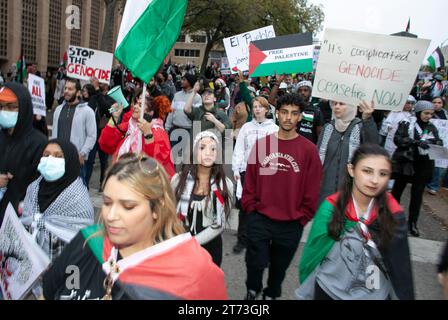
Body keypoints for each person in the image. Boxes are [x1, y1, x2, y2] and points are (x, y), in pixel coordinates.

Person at [41, 154, 228, 300]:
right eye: (107, 202)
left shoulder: (195, 273)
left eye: (128, 206)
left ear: (157, 207)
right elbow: (47, 294)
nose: (111, 216)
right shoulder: (87, 243)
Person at [297, 144, 414, 300]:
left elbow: (401, 269)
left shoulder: (394, 214)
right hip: (328, 291)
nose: (374, 180)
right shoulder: (330, 208)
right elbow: (311, 256)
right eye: (367, 171)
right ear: (351, 170)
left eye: (383, 174)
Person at [241, 93, 322, 300]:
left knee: (279, 268)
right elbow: (250, 180)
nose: (288, 117)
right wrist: (250, 208)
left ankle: (271, 293)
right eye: (284, 112)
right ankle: (252, 289)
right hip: (260, 217)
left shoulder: (309, 150)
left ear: (300, 117)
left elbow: (313, 190)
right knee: (254, 262)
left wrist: (302, 218)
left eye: (294, 114)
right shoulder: (263, 144)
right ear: (277, 114)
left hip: (291, 223)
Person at [21, 139, 94, 261]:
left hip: (62, 270)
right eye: (46, 155)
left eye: (58, 156)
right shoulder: (33, 189)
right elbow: (25, 223)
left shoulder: (78, 200)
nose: (50, 160)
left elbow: (79, 245)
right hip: (27, 264)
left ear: (70, 161)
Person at [172, 131, 233, 267]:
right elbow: (170, 214)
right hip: (180, 246)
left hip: (210, 251)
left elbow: (219, 224)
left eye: (213, 149)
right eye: (202, 148)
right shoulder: (178, 180)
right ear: (194, 152)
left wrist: (192, 243)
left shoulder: (224, 185)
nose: (208, 152)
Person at [231, 97, 278, 254]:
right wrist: (236, 170)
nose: (257, 109)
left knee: (262, 207)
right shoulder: (246, 127)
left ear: (266, 109)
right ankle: (242, 239)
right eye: (255, 106)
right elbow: (239, 149)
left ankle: (259, 238)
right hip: (247, 171)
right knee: (245, 206)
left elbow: (276, 153)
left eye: (260, 107)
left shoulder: (274, 129)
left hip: (265, 173)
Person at [391, 100, 443, 237]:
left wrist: (433, 142)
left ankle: (412, 223)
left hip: (423, 165)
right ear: (419, 112)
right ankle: (390, 218)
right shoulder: (407, 123)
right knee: (397, 191)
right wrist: (415, 142)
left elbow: (439, 141)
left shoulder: (432, 127)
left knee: (417, 195)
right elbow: (398, 139)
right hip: (406, 163)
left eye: (431, 114)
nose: (428, 116)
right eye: (426, 113)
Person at [0, 83, 47, 223]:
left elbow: (42, 186)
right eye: (1, 106)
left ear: (24, 108)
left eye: (10, 107)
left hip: (20, 219)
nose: (4, 111)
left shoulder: (39, 143)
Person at [99, 94, 175, 177]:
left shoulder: (158, 132)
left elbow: (155, 163)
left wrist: (147, 134)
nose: (134, 106)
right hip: (126, 179)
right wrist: (114, 118)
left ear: (150, 113)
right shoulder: (130, 127)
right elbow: (106, 144)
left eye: (140, 105)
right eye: (136, 103)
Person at [317, 100, 378, 204]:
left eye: (341, 103)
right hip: (325, 192)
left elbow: (373, 147)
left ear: (351, 106)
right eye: (334, 104)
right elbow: (317, 158)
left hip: (350, 191)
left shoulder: (360, 127)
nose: (336, 107)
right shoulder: (328, 128)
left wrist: (367, 119)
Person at [51, 79, 97, 186]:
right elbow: (54, 132)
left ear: (78, 93)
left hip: (76, 160)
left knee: (78, 191)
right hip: (58, 159)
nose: (66, 91)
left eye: (70, 89)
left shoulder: (87, 111)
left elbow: (92, 136)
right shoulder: (58, 109)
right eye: (65, 88)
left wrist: (82, 153)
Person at [165, 73, 202, 140]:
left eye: (184, 80)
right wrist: (167, 128)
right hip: (174, 129)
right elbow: (171, 112)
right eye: (182, 79)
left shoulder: (197, 97)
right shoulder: (177, 95)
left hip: (188, 131)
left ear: (190, 82)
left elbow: (197, 116)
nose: (181, 81)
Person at [426, 96, 447, 195]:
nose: (436, 104)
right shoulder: (427, 112)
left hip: (439, 142)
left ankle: (433, 186)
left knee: (437, 166)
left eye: (439, 102)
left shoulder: (445, 115)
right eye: (434, 102)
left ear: (442, 104)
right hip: (427, 140)